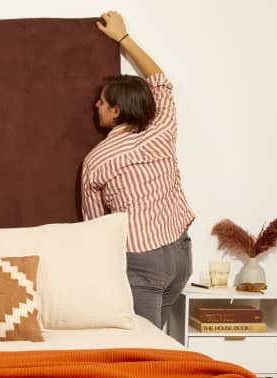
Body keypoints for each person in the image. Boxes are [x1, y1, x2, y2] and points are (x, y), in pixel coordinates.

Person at [81, 11, 194, 329]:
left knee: (142, 348)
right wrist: (123, 38)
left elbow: (97, 226)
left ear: (116, 111)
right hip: (180, 252)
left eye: (102, 103)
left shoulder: (97, 160)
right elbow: (161, 83)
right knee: (158, 341)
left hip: (141, 259)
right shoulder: (162, 128)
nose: (96, 107)